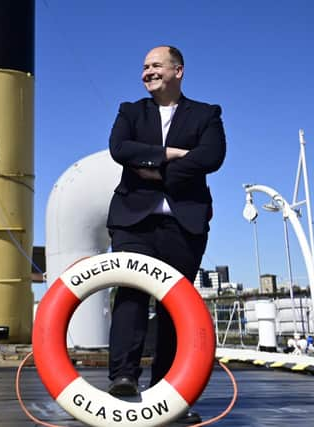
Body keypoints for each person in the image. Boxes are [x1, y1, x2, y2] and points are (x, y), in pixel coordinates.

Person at [105, 45, 226, 414]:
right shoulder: (130, 111)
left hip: (183, 223)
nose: (147, 72)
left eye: (155, 65)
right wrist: (172, 153)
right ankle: (123, 377)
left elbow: (213, 157)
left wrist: (156, 166)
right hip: (133, 222)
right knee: (131, 292)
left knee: (176, 305)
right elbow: (119, 149)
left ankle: (167, 387)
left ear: (178, 71)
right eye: (144, 66)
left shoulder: (207, 114)